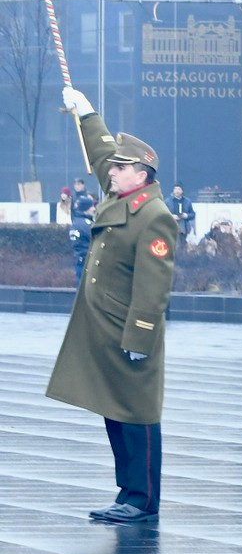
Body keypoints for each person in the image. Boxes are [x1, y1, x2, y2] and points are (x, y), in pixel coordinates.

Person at [46, 86, 176, 524]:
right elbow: (102, 153)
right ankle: (127, 492)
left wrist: (140, 334)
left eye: (122, 169)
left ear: (141, 174)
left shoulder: (154, 215)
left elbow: (153, 285)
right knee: (114, 414)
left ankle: (142, 499)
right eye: (115, 168)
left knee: (135, 416)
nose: (112, 173)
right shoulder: (124, 196)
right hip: (105, 329)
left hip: (129, 331)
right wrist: (87, 113)